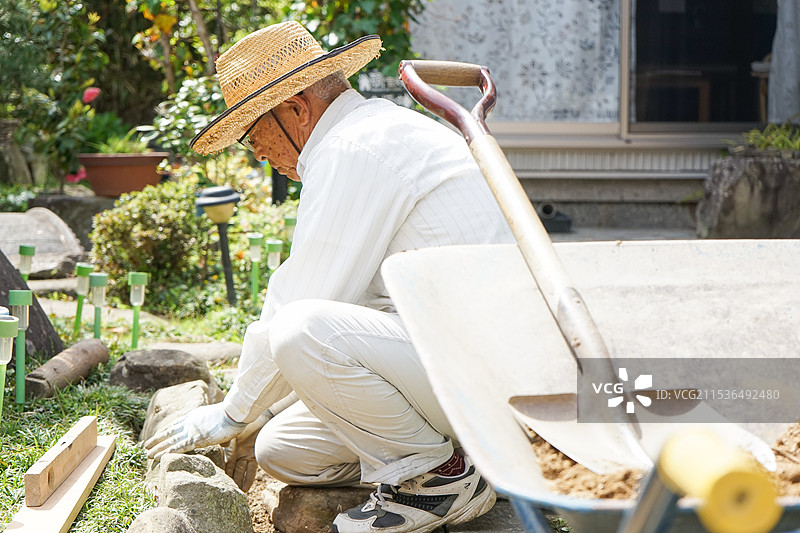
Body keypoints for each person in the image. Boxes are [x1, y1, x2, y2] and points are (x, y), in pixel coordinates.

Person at [144, 20, 513, 533]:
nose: (258, 154)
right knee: (284, 451)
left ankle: (442, 480)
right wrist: (254, 414)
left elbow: (304, 299)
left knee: (300, 330)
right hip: (450, 360)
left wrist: (232, 413)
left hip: (482, 371)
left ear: (295, 109)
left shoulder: (356, 147)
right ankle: (455, 460)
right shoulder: (364, 134)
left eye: (254, 135)